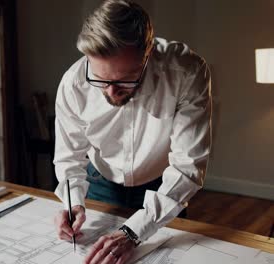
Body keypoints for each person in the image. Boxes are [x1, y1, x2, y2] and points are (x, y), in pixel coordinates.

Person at [53, 0, 212, 263]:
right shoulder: (74, 83)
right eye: (101, 80)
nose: (111, 92)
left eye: (125, 79)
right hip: (100, 181)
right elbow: (69, 156)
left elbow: (188, 166)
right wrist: (72, 204)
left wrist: (132, 232)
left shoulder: (186, 72)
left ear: (147, 53)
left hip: (164, 186)